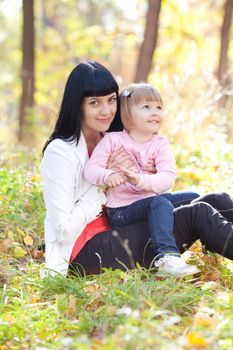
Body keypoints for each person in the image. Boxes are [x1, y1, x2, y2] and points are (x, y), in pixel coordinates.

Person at [41, 60, 233, 278]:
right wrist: (102, 188)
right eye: (94, 103)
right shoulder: (60, 152)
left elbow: (144, 187)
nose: (106, 111)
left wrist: (145, 174)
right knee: (197, 214)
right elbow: (63, 230)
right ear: (78, 104)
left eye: (111, 100)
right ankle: (167, 259)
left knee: (211, 199)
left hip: (124, 224)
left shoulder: (111, 137)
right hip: (86, 250)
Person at [83, 82, 199, 277]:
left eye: (159, 107)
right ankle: (167, 257)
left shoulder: (160, 143)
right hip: (121, 211)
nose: (155, 112)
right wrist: (108, 176)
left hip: (148, 203)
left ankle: (211, 239)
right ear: (128, 113)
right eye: (146, 107)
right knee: (159, 202)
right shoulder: (113, 140)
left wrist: (139, 180)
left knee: (194, 198)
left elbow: (167, 179)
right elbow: (90, 169)